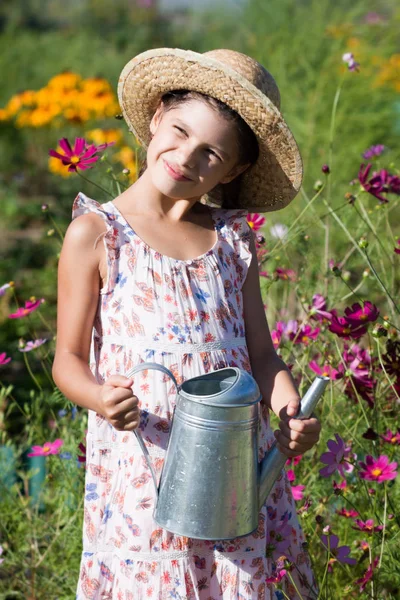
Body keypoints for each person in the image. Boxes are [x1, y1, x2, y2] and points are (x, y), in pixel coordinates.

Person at [53, 48, 321, 600]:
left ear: (236, 169)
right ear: (155, 119)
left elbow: (262, 356)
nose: (186, 157)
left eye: (211, 153)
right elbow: (68, 361)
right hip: (142, 467)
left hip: (235, 470)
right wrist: (101, 397)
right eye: (178, 131)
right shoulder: (99, 234)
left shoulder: (233, 241)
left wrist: (289, 412)